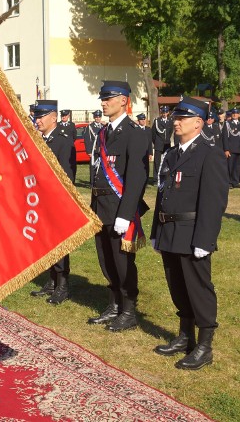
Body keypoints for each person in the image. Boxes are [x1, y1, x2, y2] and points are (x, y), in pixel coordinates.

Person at [150, 96, 228, 370]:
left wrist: (205, 240)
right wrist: (155, 231)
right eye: (176, 117)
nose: (176, 121)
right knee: (177, 287)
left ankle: (204, 345)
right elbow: (163, 193)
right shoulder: (172, 154)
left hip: (192, 232)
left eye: (182, 118)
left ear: (199, 123)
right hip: (169, 229)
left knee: (198, 289)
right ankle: (185, 336)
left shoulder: (209, 153)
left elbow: (214, 201)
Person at [88, 81, 150, 331]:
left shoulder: (135, 133)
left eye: (108, 98)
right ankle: (113, 305)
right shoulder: (103, 133)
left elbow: (137, 177)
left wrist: (125, 215)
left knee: (122, 262)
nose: (103, 102)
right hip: (101, 206)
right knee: (106, 260)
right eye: (102, 98)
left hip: (119, 209)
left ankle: (129, 310)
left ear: (123, 100)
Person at [30, 100, 75, 305]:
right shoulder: (42, 141)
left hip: (57, 201)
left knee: (59, 244)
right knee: (47, 243)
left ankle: (62, 285)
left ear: (54, 117)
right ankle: (51, 280)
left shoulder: (63, 141)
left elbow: (67, 175)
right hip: (41, 200)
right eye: (36, 116)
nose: (36, 120)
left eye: (41, 116)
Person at [223, 108, 240, 188]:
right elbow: (225, 137)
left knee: (237, 167)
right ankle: (229, 182)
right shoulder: (227, 124)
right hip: (231, 149)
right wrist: (226, 149)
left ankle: (235, 182)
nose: (235, 115)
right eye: (233, 113)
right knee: (230, 166)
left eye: (236, 113)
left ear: (239, 115)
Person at [151, 106, 173, 185]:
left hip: (167, 143)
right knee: (157, 162)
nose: (164, 114)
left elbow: (170, 132)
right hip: (158, 143)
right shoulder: (157, 121)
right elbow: (153, 133)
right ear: (161, 113)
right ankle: (156, 179)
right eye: (163, 112)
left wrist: (167, 140)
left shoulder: (170, 121)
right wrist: (156, 142)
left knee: (167, 161)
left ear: (168, 113)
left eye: (166, 112)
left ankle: (165, 177)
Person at [85, 110, 104, 182]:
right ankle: (92, 182)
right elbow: (87, 140)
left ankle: (99, 181)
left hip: (101, 150)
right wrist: (89, 151)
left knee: (101, 166)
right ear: (94, 117)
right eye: (96, 117)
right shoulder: (90, 127)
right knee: (93, 167)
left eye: (99, 117)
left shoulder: (103, 126)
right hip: (93, 150)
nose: (98, 118)